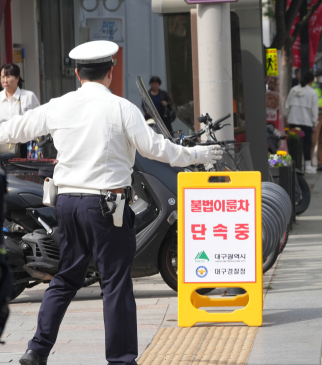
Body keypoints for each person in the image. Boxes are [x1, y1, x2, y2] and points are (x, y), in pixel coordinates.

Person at [2, 41, 223, 365]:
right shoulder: (122, 108)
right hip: (106, 208)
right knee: (115, 283)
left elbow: (14, 128)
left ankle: (37, 350)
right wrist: (196, 155)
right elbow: (156, 149)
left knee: (65, 277)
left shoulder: (59, 106)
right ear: (110, 72)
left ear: (78, 73)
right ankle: (121, 360)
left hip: (66, 204)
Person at [0, 63, 40, 155]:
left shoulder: (29, 96)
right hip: (3, 145)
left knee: (27, 169)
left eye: (8, 76)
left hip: (26, 145)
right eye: (2, 77)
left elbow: (38, 120)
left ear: (17, 78)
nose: (5, 80)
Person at [285, 70, 318, 175]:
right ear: (311, 81)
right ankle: (307, 166)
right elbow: (314, 110)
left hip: (293, 120)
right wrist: (315, 122)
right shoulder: (312, 93)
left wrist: (286, 118)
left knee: (293, 144)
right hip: (306, 122)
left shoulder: (293, 90)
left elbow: (287, 106)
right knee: (307, 144)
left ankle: (294, 165)